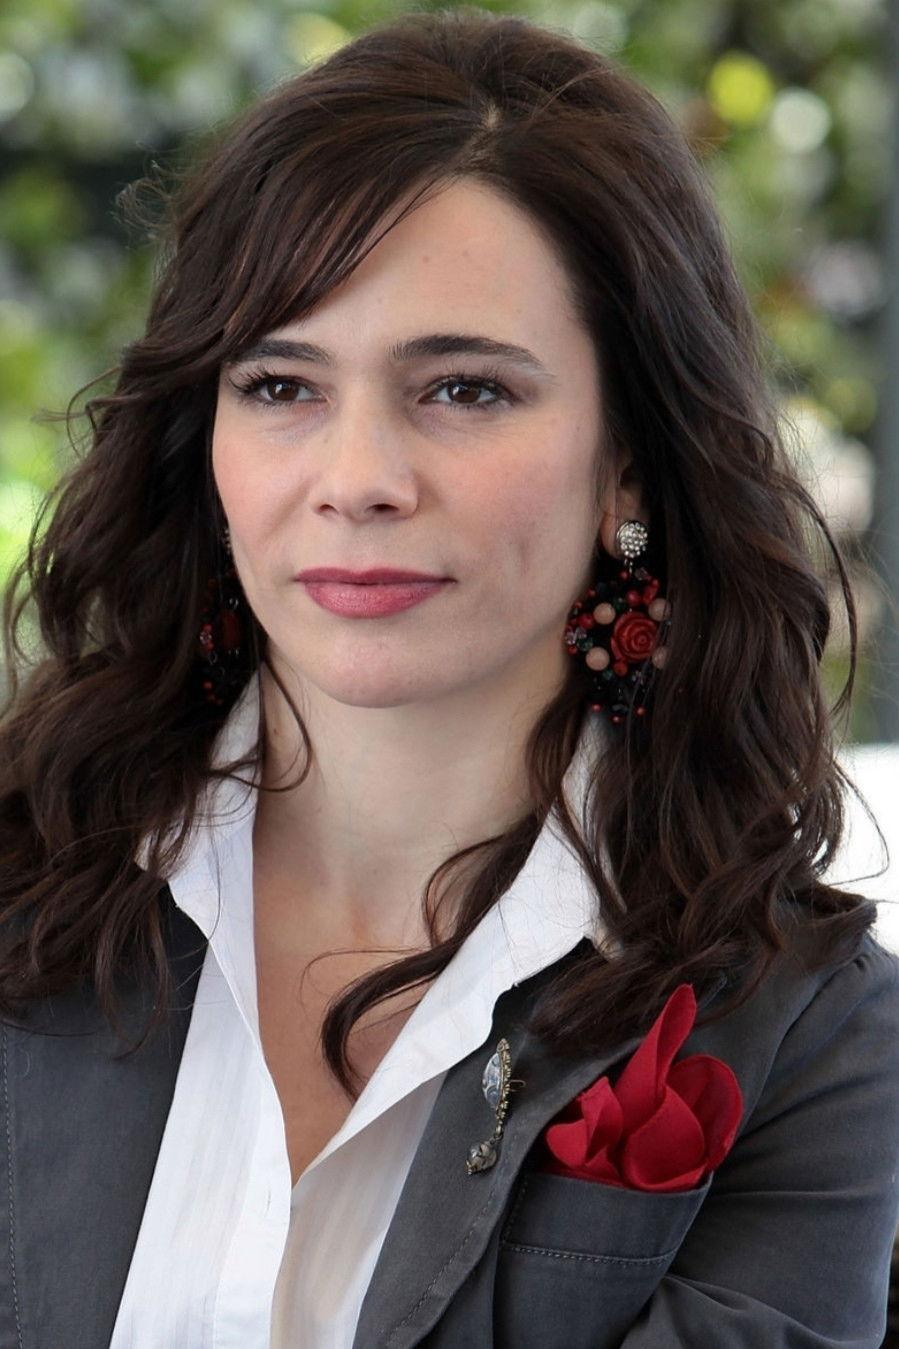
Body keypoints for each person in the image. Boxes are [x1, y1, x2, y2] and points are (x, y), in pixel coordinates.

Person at [1, 8, 897, 1347]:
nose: (358, 479)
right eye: (281, 385)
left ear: (630, 466)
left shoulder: (813, 1043)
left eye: (464, 390)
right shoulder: (24, 880)